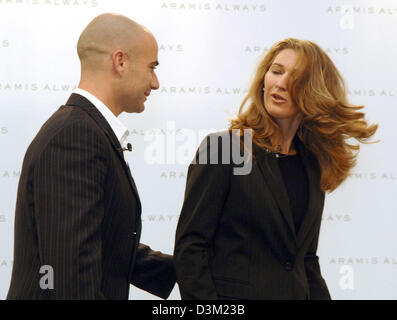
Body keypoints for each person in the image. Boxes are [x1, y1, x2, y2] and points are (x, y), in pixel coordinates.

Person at [174, 38, 378, 300]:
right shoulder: (226, 147)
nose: (280, 83)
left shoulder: (312, 163)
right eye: (276, 71)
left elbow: (306, 260)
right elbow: (191, 249)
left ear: (314, 91)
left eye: (295, 77)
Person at [7, 13, 175, 299]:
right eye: (152, 67)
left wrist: (194, 267)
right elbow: (72, 278)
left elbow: (105, 243)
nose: (156, 82)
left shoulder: (84, 130)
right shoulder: (76, 136)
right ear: (120, 62)